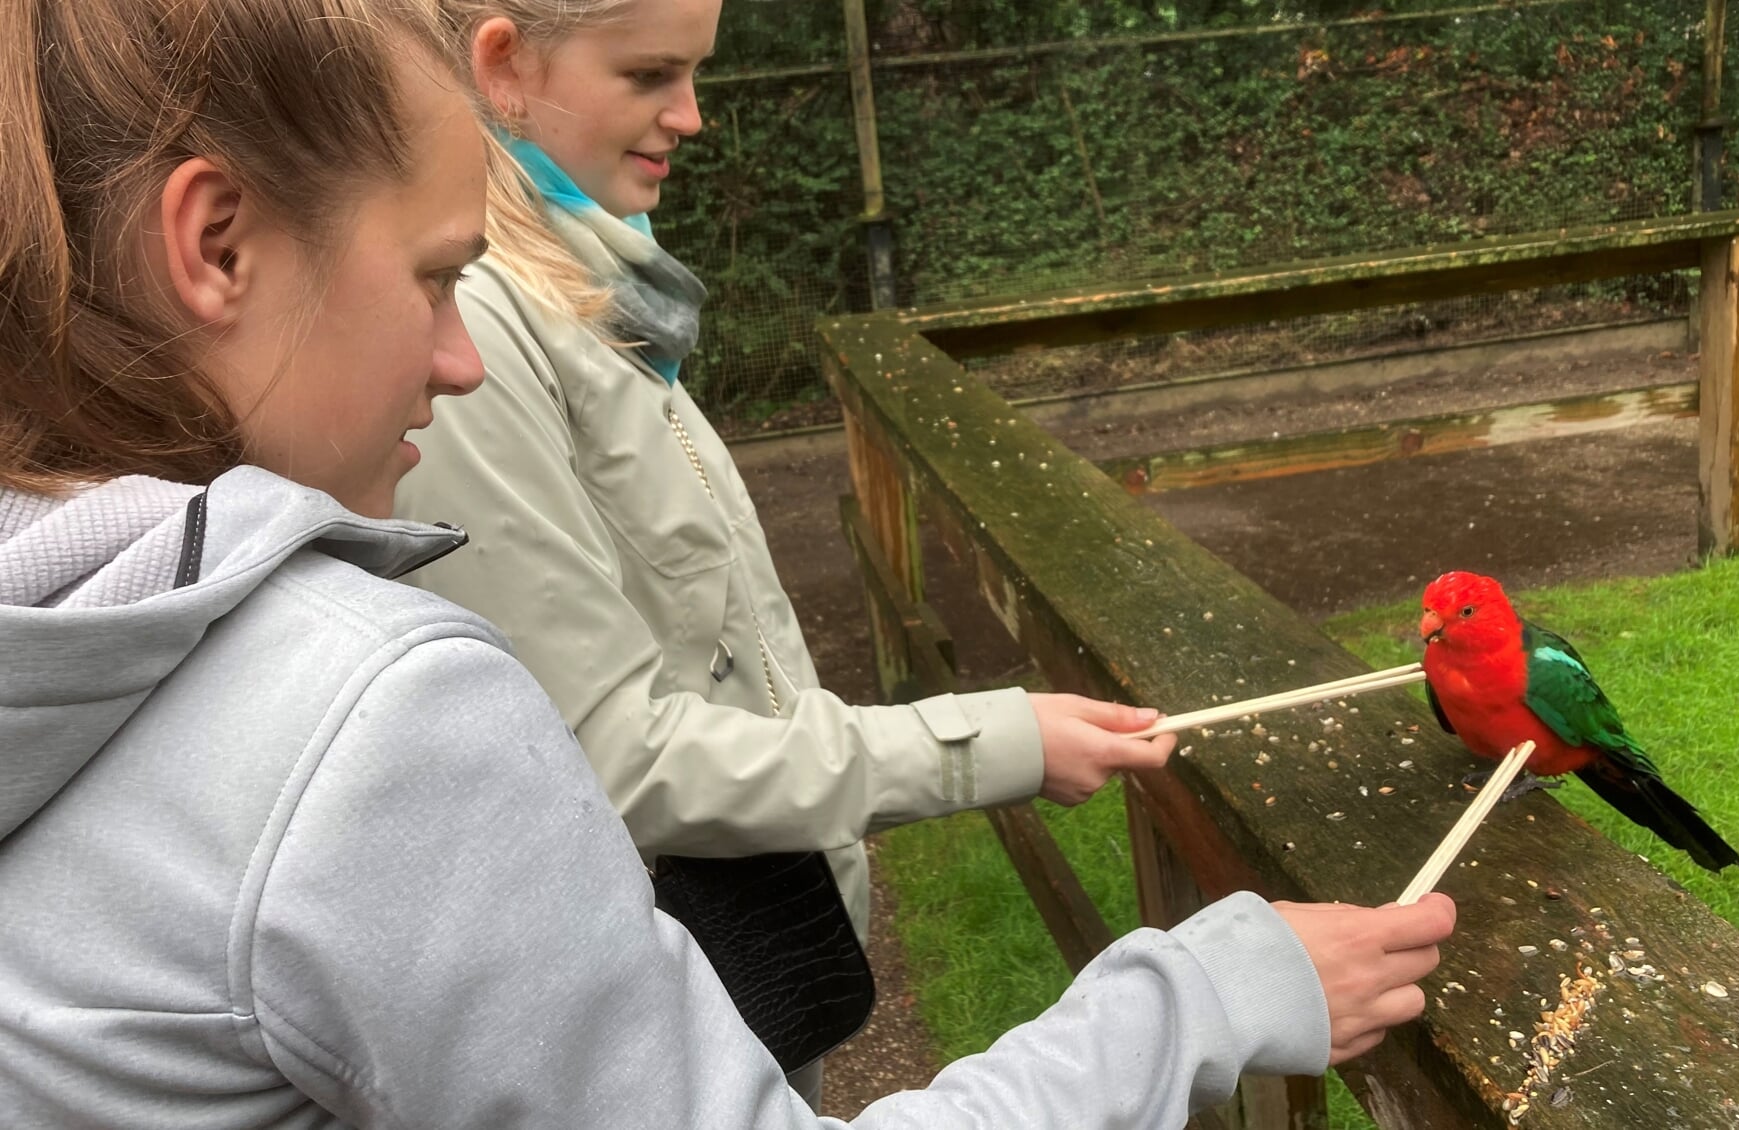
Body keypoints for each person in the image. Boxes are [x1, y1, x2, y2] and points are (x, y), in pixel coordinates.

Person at [0, 0, 1455, 1124]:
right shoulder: (359, 720)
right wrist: (1199, 990)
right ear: (215, 242)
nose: (450, 353)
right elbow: (621, 744)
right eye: (431, 279)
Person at [397, 0, 1182, 1096]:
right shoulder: (475, 334)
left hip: (742, 952)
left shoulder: (602, 292)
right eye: (650, 75)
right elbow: (606, 760)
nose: (692, 116)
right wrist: (992, 745)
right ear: (503, 66)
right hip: (651, 1002)